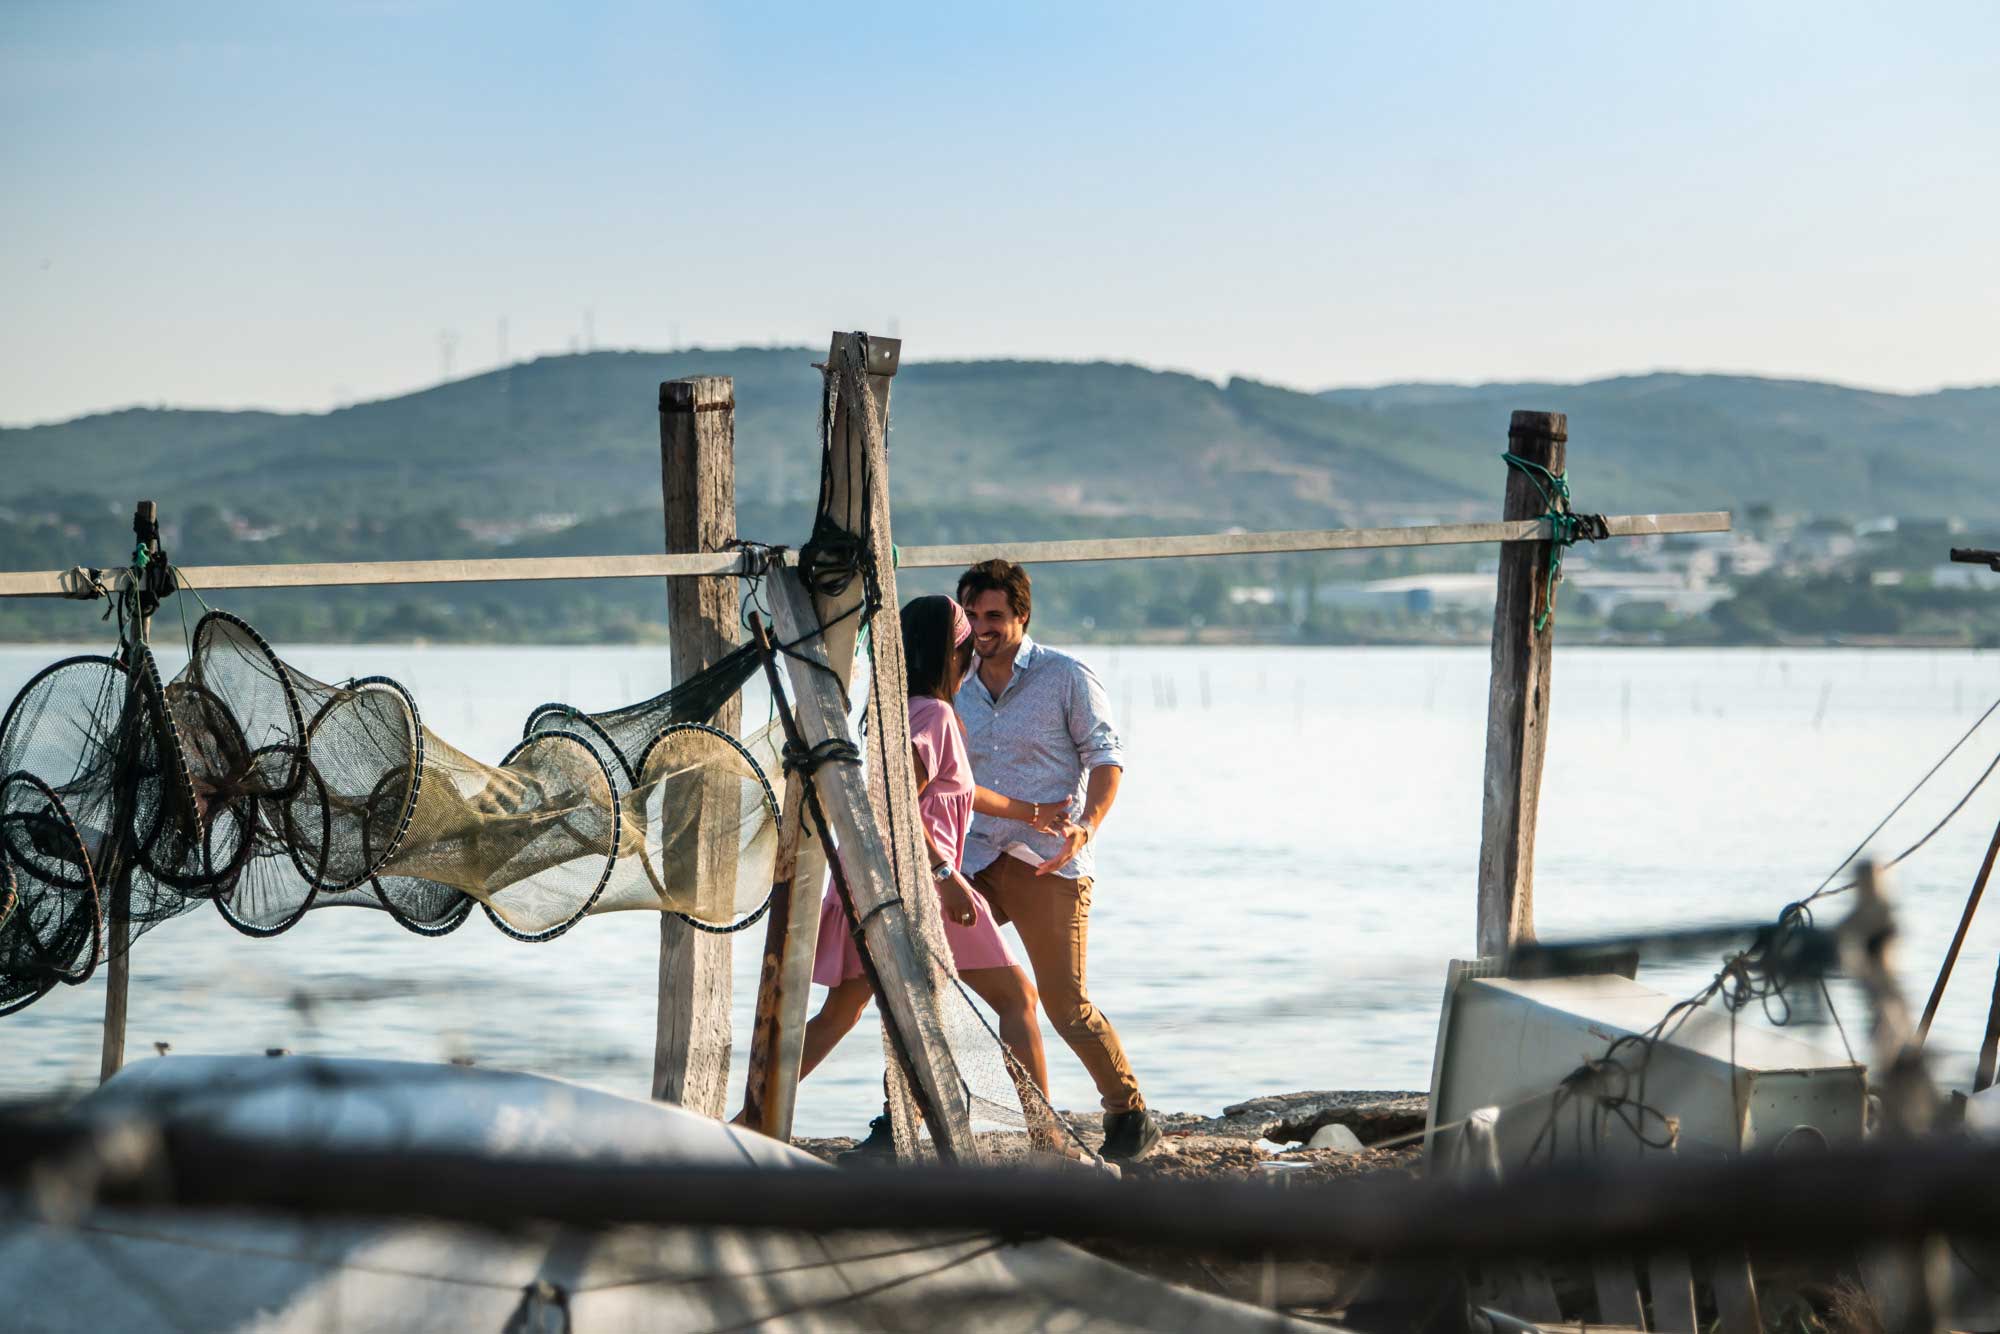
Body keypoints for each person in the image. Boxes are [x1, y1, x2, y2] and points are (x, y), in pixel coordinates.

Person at [794, 593, 1056, 1159]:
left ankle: (749, 1120)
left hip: (873, 881)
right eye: (965, 649)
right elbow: (890, 806)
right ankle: (1047, 1142)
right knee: (1017, 997)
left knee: (840, 1014)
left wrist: (1028, 812)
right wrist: (945, 874)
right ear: (948, 653)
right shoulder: (934, 715)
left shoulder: (904, 710)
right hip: (914, 888)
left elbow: (954, 789)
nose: (971, 659)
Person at [953, 559, 1159, 1161]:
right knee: (928, 979)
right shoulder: (952, 679)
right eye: (971, 615)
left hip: (1047, 861)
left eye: (993, 615)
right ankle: (899, 1117)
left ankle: (1128, 1112)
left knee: (1066, 1006)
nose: (981, 627)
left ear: (1021, 615)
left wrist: (1086, 827)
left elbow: (1106, 758)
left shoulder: (1065, 676)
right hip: (972, 859)